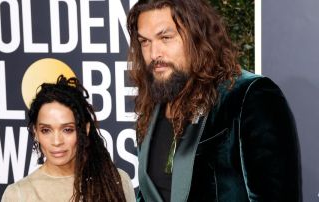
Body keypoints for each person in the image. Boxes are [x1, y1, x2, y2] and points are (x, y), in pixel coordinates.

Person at [126, 0, 302, 201]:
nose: (153, 53)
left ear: (197, 35)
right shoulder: (154, 104)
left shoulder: (249, 96)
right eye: (145, 42)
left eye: (165, 37)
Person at [1, 75, 135, 202]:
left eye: (67, 130)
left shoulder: (116, 181)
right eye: (46, 130)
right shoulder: (18, 195)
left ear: (85, 130)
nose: (57, 141)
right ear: (35, 132)